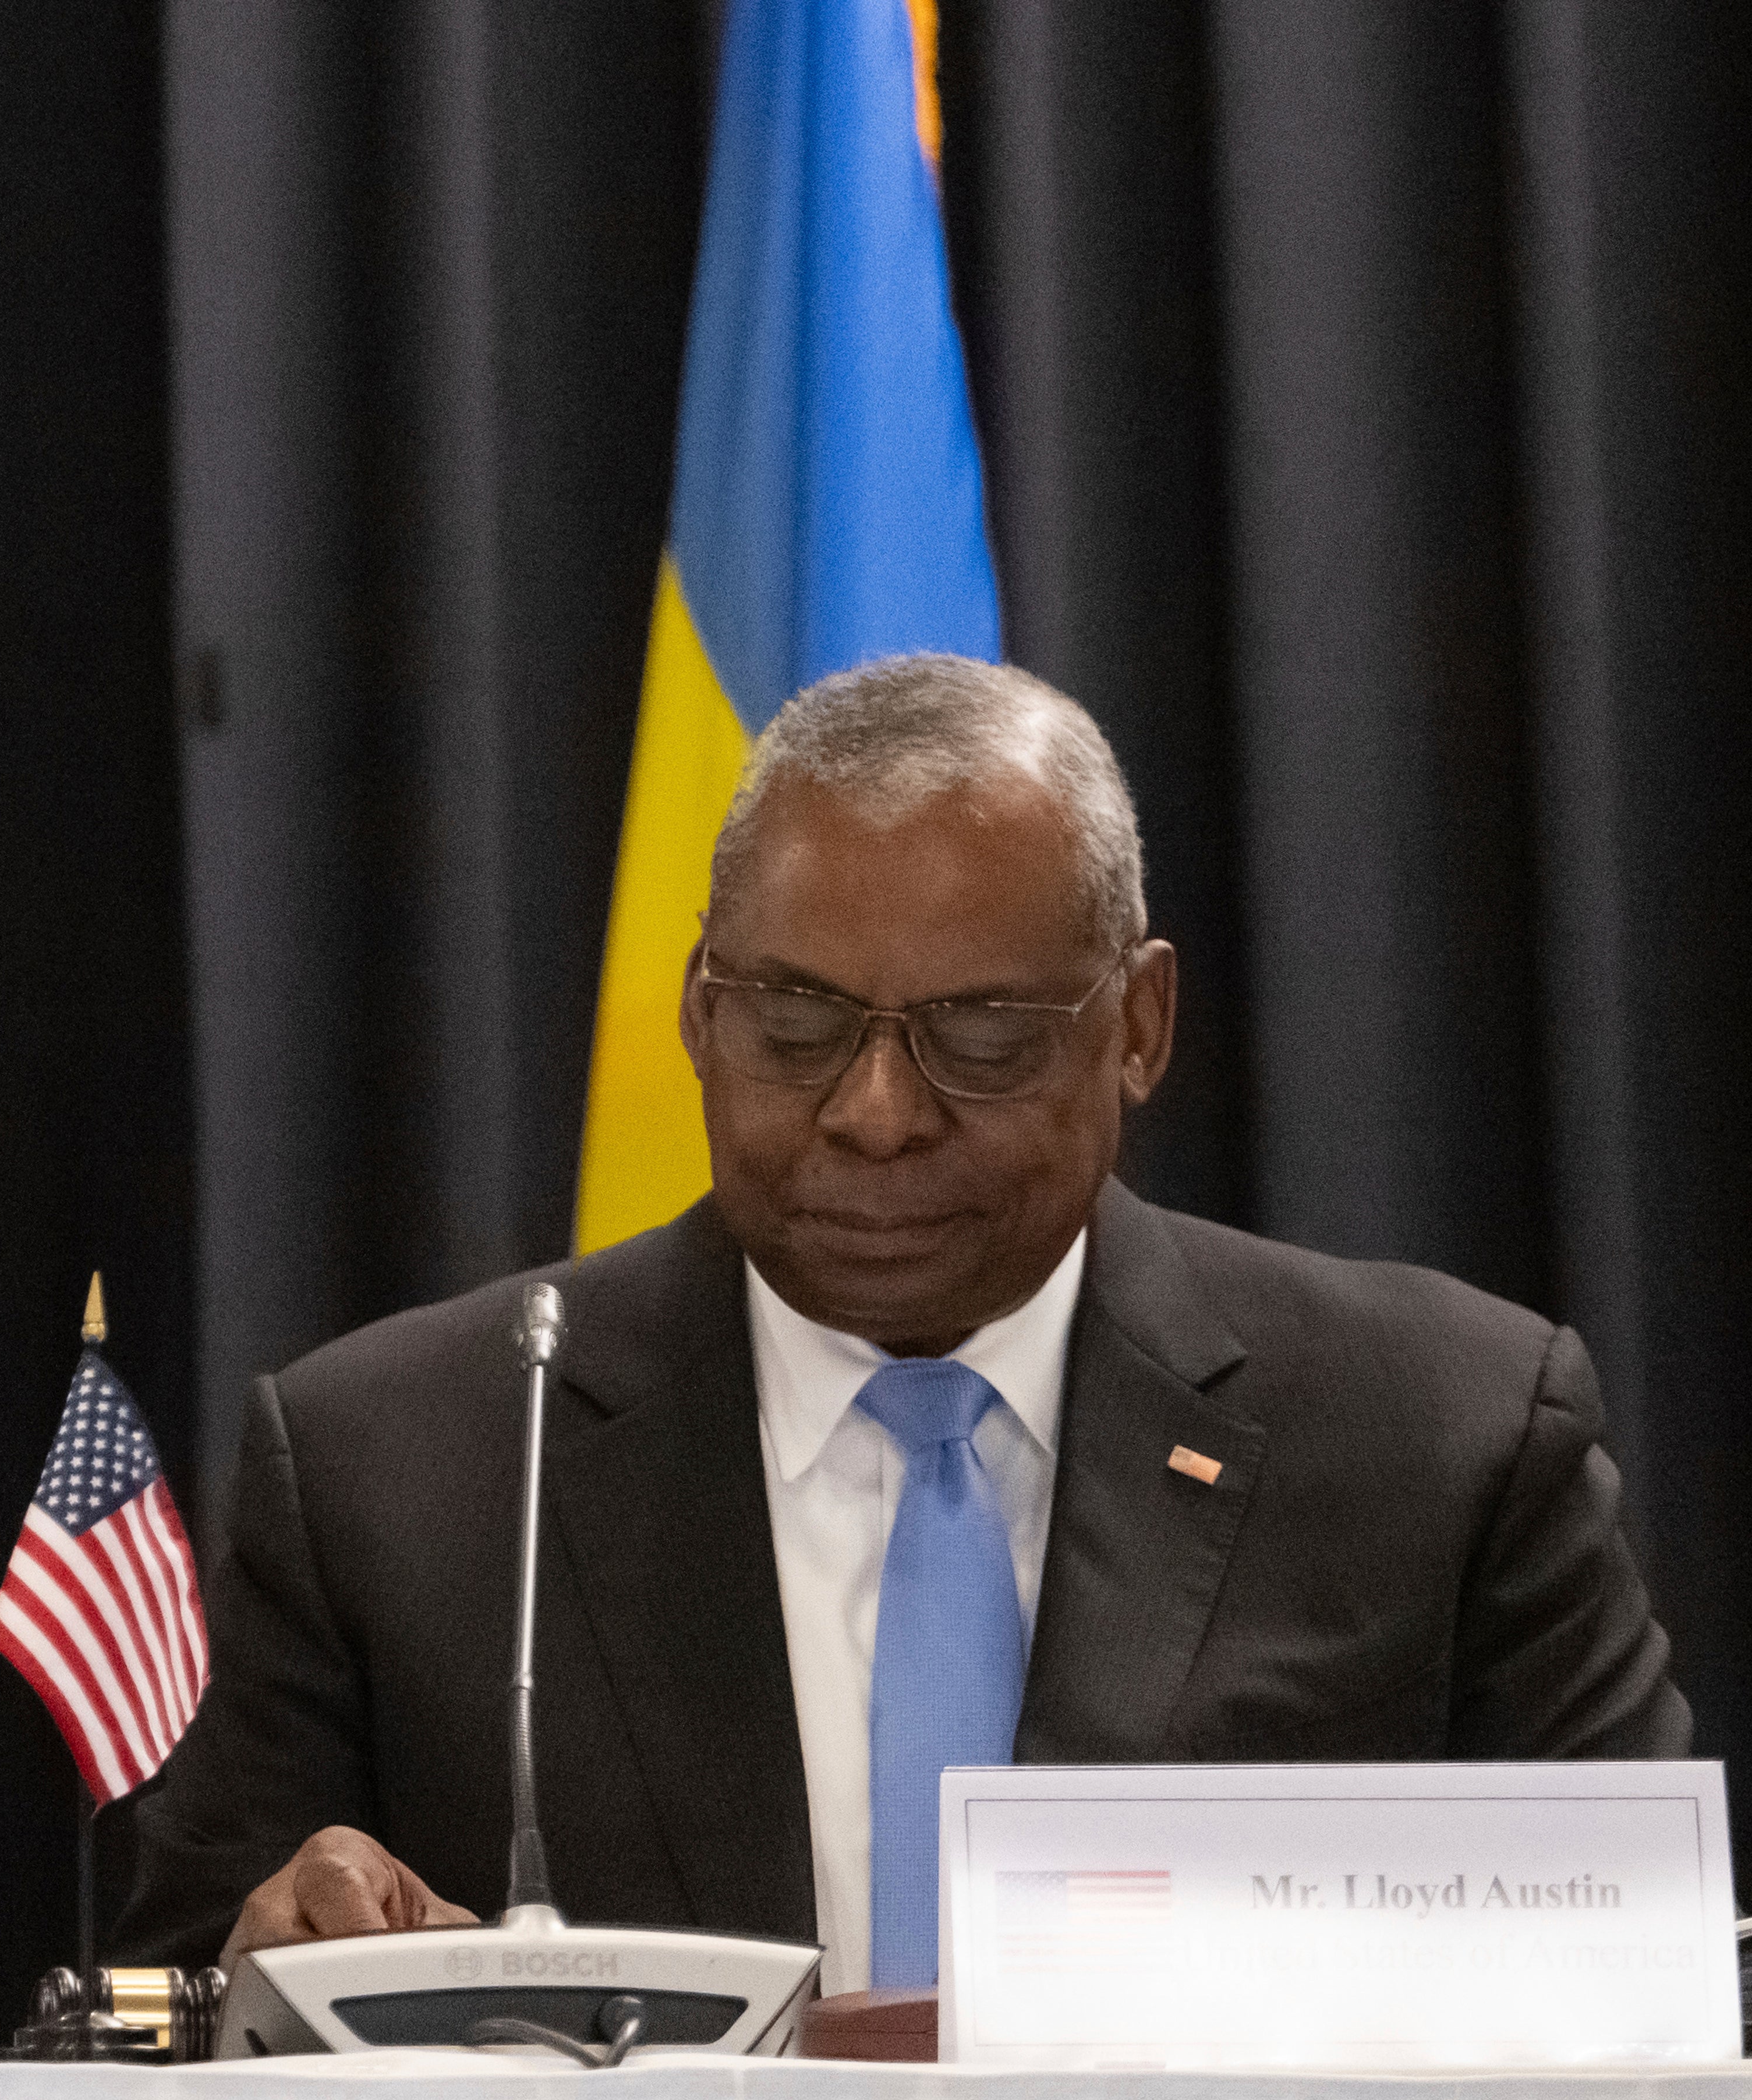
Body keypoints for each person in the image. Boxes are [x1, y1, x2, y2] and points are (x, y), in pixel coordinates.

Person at [118, 655, 1689, 1996]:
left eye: (982, 1037)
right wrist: (277, 1956)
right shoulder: (402, 1466)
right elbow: (183, 2033)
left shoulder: (1446, 1439)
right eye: (795, 1024)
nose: (874, 1114)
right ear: (698, 1013)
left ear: (1137, 1025)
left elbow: (1647, 2011)